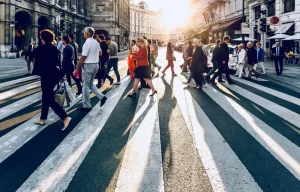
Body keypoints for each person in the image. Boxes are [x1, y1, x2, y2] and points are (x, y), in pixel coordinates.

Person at [32, 30, 71, 131]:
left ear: (43, 38)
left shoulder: (41, 49)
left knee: (48, 98)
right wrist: (61, 76)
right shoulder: (55, 48)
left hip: (46, 75)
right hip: (55, 74)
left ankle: (65, 117)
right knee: (46, 96)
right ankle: (42, 118)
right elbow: (58, 63)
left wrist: (33, 45)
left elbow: (30, 55)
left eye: (41, 37)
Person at [73, 27, 107, 111]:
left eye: (84, 32)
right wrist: (93, 56)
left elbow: (83, 57)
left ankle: (86, 105)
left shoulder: (87, 43)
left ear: (87, 34)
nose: (83, 33)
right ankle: (102, 97)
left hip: (88, 65)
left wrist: (76, 69)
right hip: (96, 65)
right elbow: (100, 53)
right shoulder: (96, 42)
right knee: (90, 84)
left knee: (85, 86)